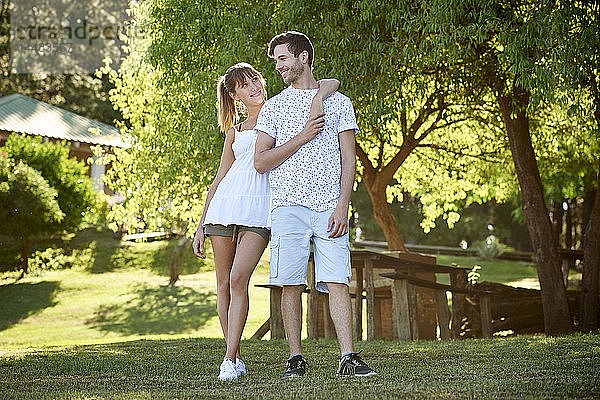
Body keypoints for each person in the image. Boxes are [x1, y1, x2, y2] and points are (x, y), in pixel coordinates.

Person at [192, 62, 339, 381]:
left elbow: (331, 82)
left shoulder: (281, 111)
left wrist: (315, 100)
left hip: (260, 211)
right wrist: (200, 224)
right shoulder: (235, 130)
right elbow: (219, 178)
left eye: (256, 79)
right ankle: (235, 356)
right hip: (223, 208)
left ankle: (228, 360)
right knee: (222, 285)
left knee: (237, 279)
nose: (255, 86)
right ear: (235, 95)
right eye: (245, 85)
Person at [254, 31, 377, 378]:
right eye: (276, 60)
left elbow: (349, 160)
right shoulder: (274, 107)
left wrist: (342, 206)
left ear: (303, 58)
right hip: (287, 206)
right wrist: (303, 135)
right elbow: (261, 162)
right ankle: (295, 358)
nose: (277, 67)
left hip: (329, 207)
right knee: (290, 283)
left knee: (338, 280)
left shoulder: (339, 103)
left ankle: (348, 358)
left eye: (282, 59)